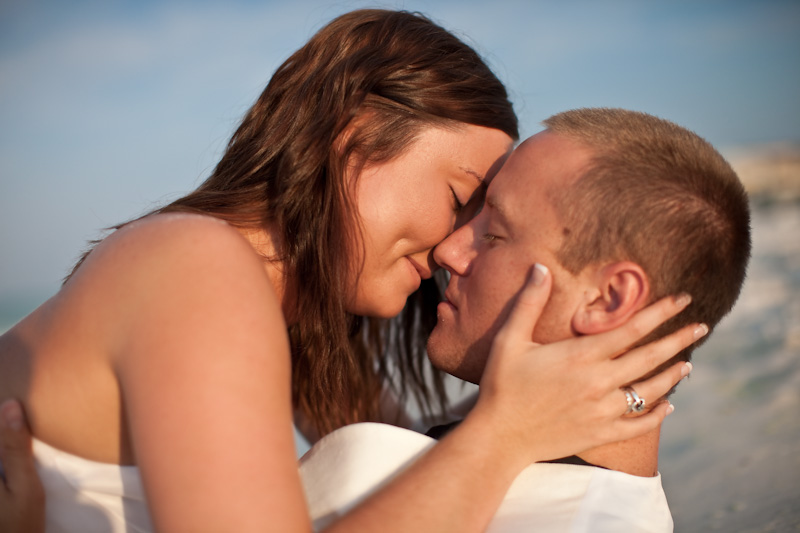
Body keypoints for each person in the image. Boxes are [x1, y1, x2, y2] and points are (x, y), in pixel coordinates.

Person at [0, 9, 697, 533]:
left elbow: (397, 468)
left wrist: (616, 385)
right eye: (460, 200)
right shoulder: (197, 266)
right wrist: (504, 434)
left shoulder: (288, 326)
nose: (454, 253)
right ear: (353, 135)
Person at [295, 108, 752, 531]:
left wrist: (502, 437)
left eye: (493, 234)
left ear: (608, 299)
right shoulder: (493, 444)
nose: (447, 252)